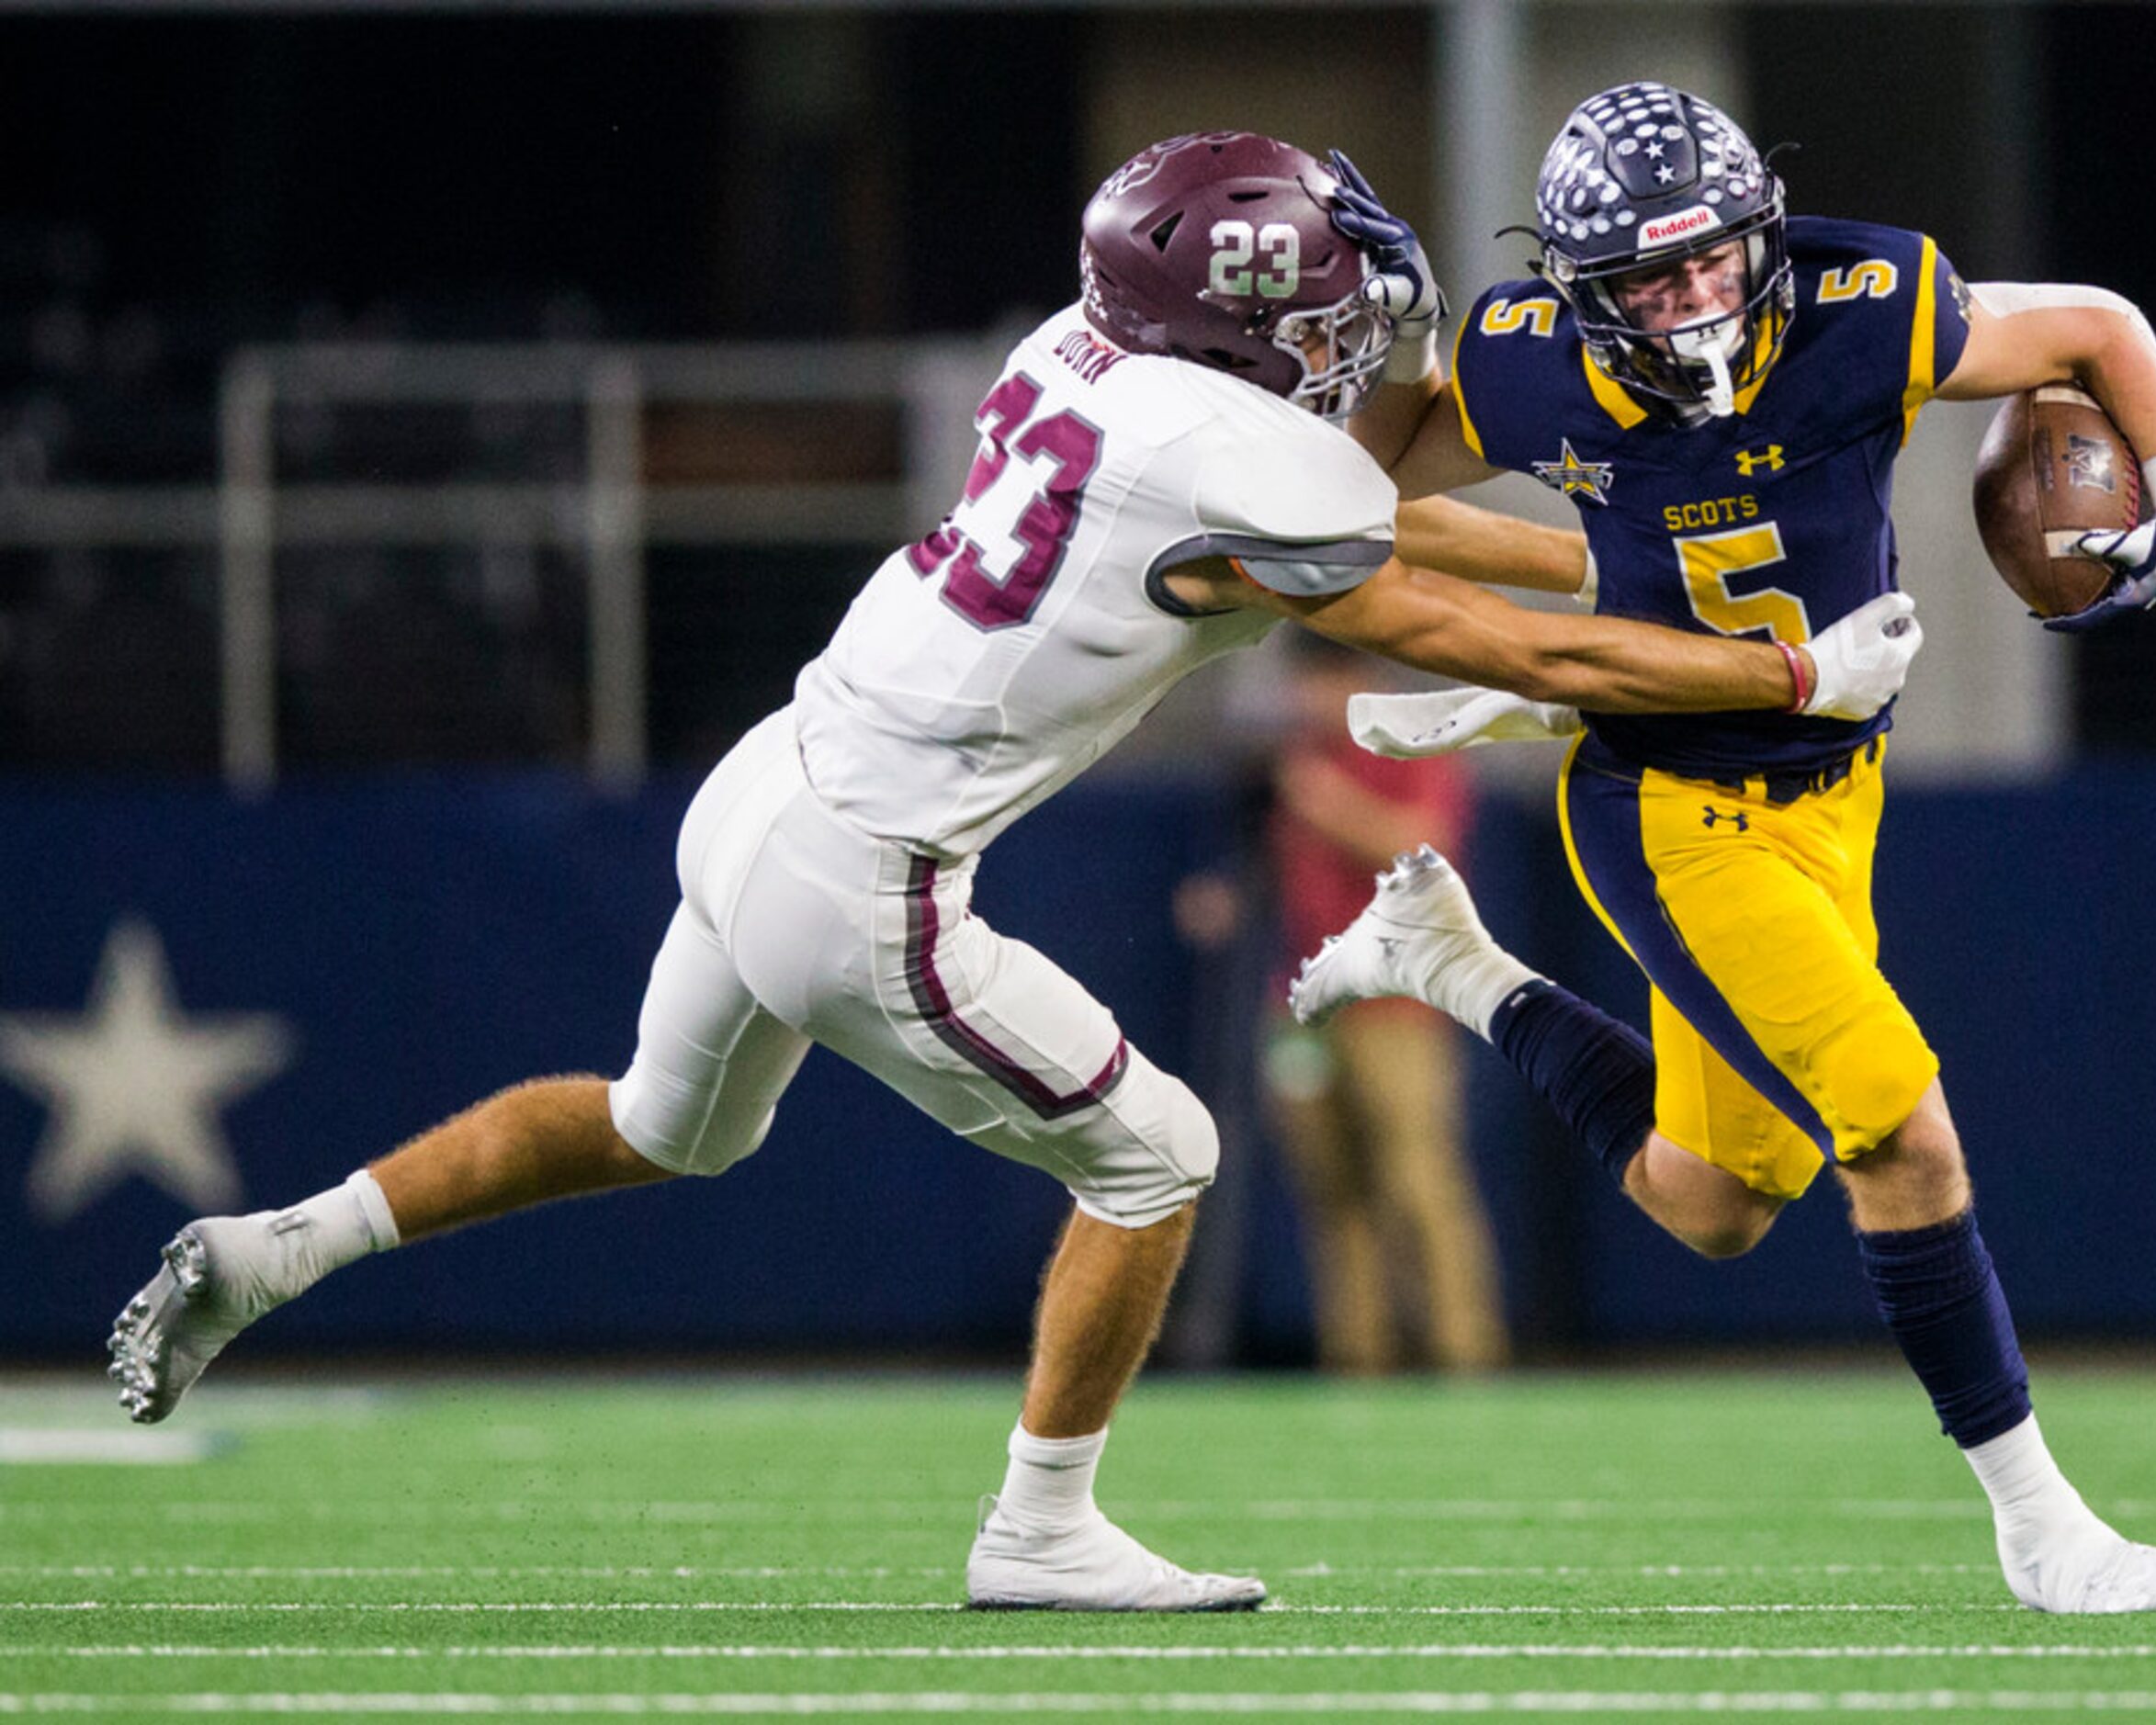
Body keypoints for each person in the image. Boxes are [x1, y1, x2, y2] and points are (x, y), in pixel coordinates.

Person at [107, 130, 1924, 1613]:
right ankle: (1039, 1526)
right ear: (1231, 327)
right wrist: (1779, 671)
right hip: (870, 870)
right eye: (1311, 301)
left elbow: (1395, 536)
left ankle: (280, 1248)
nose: (1348, 323)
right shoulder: (1229, 459)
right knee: (1162, 1154)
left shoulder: (1076, 351)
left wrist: (1602, 561)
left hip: (769, 782)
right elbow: (1466, 629)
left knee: (661, 1126)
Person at [1292, 83, 2156, 1615]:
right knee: (1900, 1134)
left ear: (1763, 236)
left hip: (1830, 784)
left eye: (1711, 262)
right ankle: (2041, 1528)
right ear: (1578, 288)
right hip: (1674, 809)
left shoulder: (1867, 305)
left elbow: (2096, 328)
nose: (1687, 302)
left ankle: (1451, 965)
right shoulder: (1528, 369)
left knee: (1713, 1200)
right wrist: (1384, 381)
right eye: (1646, 283)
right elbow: (1347, 492)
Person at [1264, 631, 1506, 1373]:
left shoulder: (1408, 747)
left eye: (1326, 677)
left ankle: (1463, 1355)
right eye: (1302, 681)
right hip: (1304, 1006)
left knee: (1417, 1180)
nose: (1311, 697)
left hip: (1396, 1003)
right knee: (1330, 1188)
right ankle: (1357, 1359)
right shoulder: (1298, 757)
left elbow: (1422, 846)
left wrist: (1328, 805)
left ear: (1361, 675)